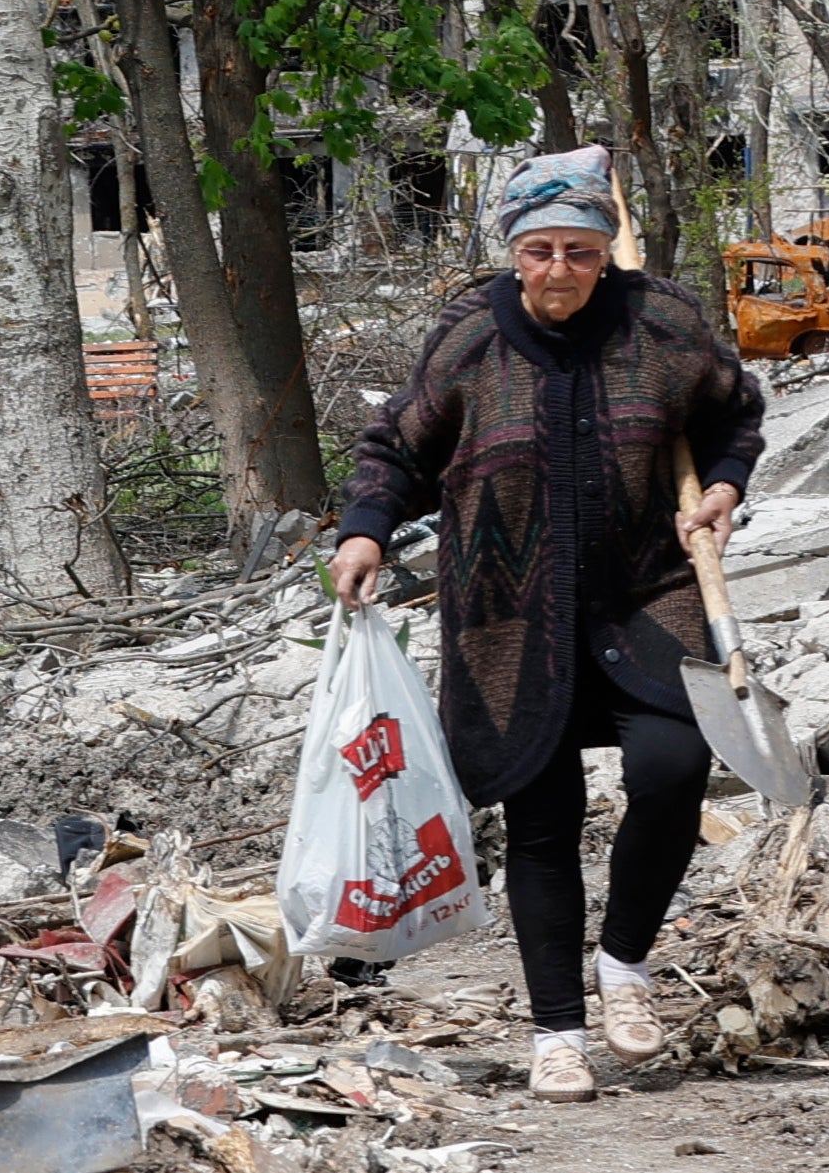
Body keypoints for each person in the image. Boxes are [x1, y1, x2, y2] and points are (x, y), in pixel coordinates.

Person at [328, 149, 766, 1100]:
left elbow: (736, 415)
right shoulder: (469, 341)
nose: (559, 268)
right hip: (509, 614)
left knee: (674, 766)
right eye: (539, 250)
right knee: (541, 818)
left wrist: (726, 486)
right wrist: (365, 530)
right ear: (513, 254)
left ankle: (625, 967)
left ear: (604, 252)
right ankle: (556, 1033)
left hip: (648, 593)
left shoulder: (664, 324)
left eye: (578, 249)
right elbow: (394, 448)